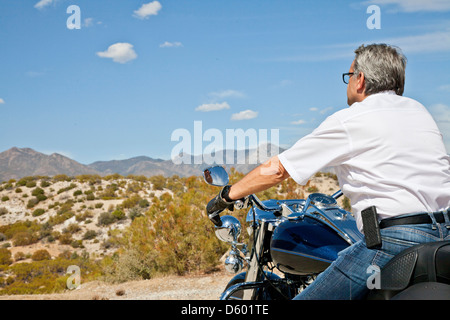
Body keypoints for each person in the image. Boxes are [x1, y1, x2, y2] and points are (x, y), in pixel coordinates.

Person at [206, 43, 450, 299]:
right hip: (443, 234)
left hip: (394, 240)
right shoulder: (419, 111)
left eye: (349, 76)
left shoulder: (351, 119)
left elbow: (278, 170)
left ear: (360, 80)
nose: (347, 83)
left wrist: (226, 196)